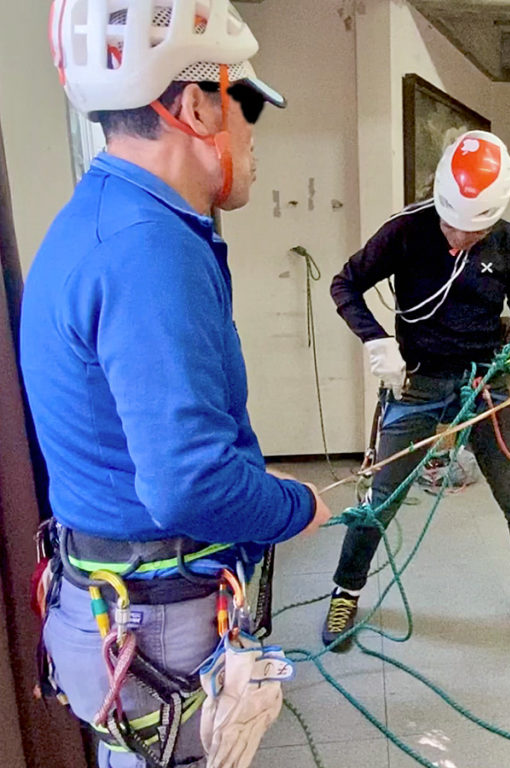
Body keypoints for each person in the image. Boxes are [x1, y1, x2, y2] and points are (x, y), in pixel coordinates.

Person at [20, 2, 331, 765]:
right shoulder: (148, 248)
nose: (254, 132)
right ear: (195, 106)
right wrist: (294, 506)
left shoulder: (102, 216)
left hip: (117, 604)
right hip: (154, 623)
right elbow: (189, 482)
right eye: (246, 103)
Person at [324, 130, 510, 660]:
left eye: (472, 229)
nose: (458, 236)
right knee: (379, 500)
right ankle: (345, 592)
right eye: (450, 222)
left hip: (483, 384)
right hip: (417, 382)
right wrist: (376, 339)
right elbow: (344, 284)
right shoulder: (406, 231)